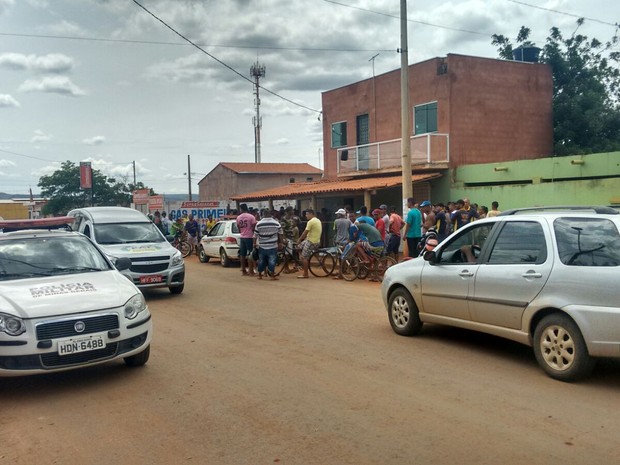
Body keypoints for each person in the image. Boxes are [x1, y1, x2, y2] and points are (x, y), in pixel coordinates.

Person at [253, 209, 283, 280]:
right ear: (270, 214)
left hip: (262, 246)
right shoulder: (276, 223)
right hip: (273, 246)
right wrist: (280, 243)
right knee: (272, 260)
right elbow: (281, 233)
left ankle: (260, 275)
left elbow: (255, 235)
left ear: (263, 214)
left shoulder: (259, 224)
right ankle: (272, 275)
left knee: (261, 260)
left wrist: (254, 243)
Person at [296, 208, 322, 279]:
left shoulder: (311, 222)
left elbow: (305, 232)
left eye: (307, 214)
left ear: (311, 214)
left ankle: (305, 273)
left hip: (311, 241)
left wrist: (299, 239)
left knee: (304, 257)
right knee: (298, 247)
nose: (306, 216)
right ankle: (301, 262)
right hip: (314, 240)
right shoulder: (317, 220)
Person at [236, 203, 257, 276]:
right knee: (250, 254)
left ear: (241, 209)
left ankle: (243, 270)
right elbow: (254, 227)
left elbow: (238, 228)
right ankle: (251, 271)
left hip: (242, 237)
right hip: (250, 237)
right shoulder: (251, 217)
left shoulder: (238, 217)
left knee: (242, 254)